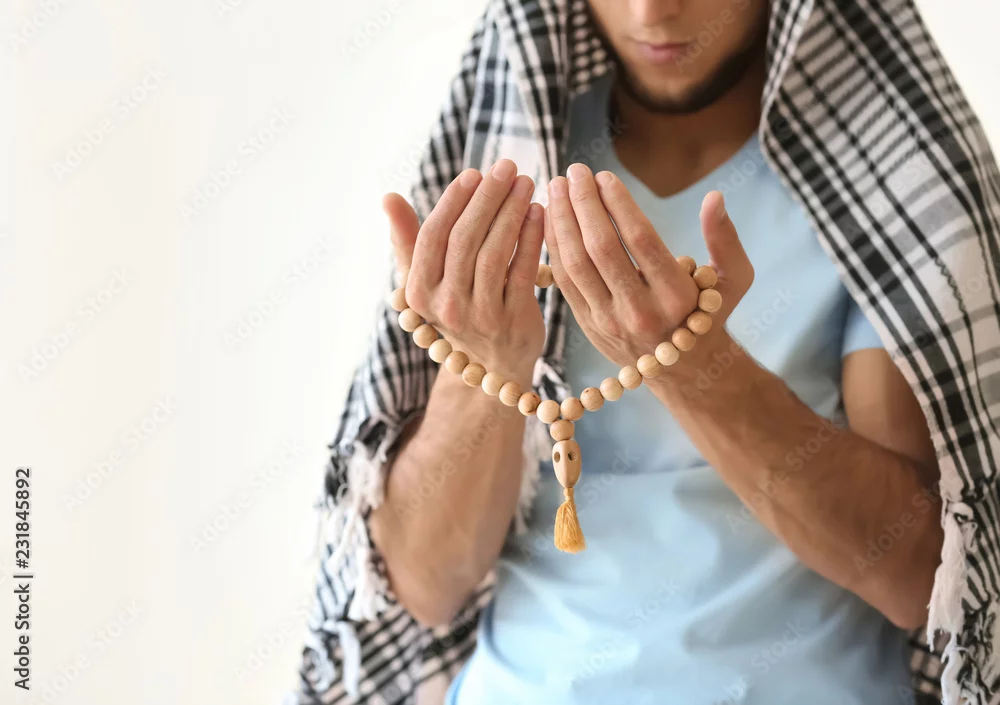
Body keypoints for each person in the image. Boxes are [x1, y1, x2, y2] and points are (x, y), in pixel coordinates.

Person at [292, 1, 1000, 704]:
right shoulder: (517, 162)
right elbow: (425, 588)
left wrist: (698, 370)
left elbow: (919, 579)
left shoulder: (883, 183)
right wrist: (486, 364)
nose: (652, 11)